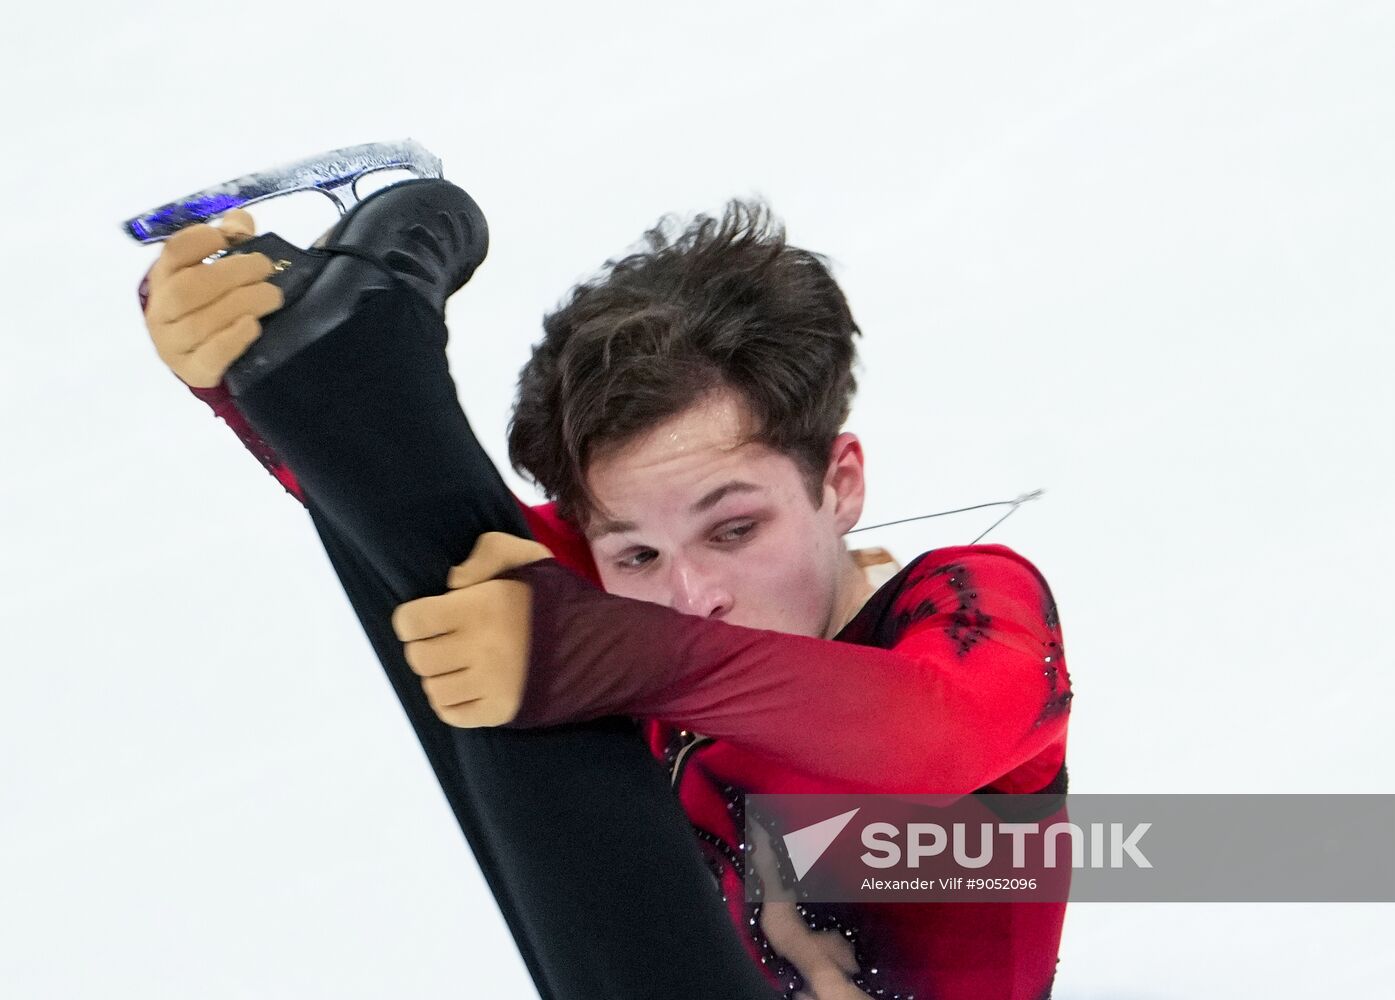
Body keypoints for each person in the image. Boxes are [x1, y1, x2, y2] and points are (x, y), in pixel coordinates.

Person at [140, 187, 1073, 999]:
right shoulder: (612, 601)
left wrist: (619, 651)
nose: (690, 594)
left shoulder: (964, 599)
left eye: (735, 529)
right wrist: (254, 384)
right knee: (484, 600)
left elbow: (942, 734)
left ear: (839, 483)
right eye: (634, 554)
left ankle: (353, 360)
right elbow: (415, 541)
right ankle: (336, 351)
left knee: (541, 642)